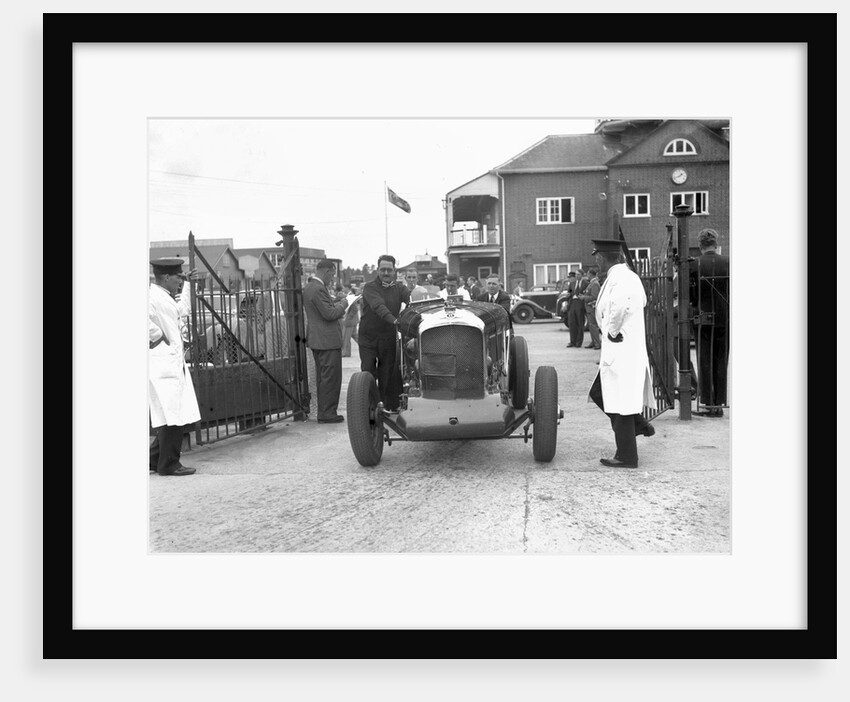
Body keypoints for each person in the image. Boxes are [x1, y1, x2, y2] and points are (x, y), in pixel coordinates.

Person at [587, 240, 656, 469]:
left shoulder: (622, 278)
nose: (596, 261)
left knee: (620, 402)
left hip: (621, 350)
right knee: (602, 393)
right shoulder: (624, 276)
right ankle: (639, 425)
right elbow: (642, 301)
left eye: (597, 256)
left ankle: (627, 456)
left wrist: (613, 331)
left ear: (602, 257)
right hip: (621, 352)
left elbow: (620, 307)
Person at [149, 257, 203, 476]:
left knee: (170, 414)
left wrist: (188, 285)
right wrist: (158, 335)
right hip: (163, 364)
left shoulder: (164, 296)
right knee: (173, 414)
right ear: (166, 277)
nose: (179, 281)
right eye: (178, 277)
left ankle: (154, 460)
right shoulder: (152, 297)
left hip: (171, 363)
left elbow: (182, 310)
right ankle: (169, 464)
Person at [359, 255, 411, 412]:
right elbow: (378, 306)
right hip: (368, 338)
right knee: (368, 372)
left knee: (387, 375)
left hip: (388, 337)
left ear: (394, 271)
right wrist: (394, 321)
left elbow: (411, 302)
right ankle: (369, 408)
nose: (386, 273)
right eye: (383, 269)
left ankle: (385, 408)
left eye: (389, 270)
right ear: (377, 270)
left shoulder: (400, 288)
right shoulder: (370, 287)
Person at [689, 228, 729, 417]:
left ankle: (708, 403)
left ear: (700, 245)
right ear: (716, 243)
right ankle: (719, 403)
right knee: (721, 361)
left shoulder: (694, 264)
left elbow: (690, 294)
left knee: (705, 361)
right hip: (724, 318)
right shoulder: (728, 262)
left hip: (703, 318)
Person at [303, 259, 349, 423]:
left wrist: (335, 301)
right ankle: (327, 413)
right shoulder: (318, 289)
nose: (333, 278)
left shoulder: (311, 287)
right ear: (327, 271)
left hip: (319, 340)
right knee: (330, 379)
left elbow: (322, 307)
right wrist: (345, 304)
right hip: (327, 341)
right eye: (332, 274)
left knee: (323, 378)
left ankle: (325, 411)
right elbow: (329, 314)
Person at [579, 267, 602, 349]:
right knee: (591, 326)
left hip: (591, 307)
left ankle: (597, 343)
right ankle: (593, 342)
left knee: (593, 326)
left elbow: (594, 297)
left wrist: (584, 297)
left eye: (588, 274)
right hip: (589, 307)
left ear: (591, 274)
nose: (587, 275)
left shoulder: (594, 284)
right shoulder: (592, 283)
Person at [566, 269, 587, 348]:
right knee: (572, 323)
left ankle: (579, 342)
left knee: (580, 323)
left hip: (580, 303)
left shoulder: (586, 283)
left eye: (578, 274)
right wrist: (568, 296)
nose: (576, 276)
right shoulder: (572, 284)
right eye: (576, 274)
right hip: (572, 303)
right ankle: (572, 341)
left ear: (582, 275)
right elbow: (569, 292)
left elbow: (587, 293)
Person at [341, 285, 361, 357]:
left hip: (350, 321)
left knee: (346, 337)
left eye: (344, 287)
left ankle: (345, 352)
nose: (343, 289)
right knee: (354, 335)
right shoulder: (349, 295)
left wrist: (349, 318)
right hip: (352, 320)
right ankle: (366, 345)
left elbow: (354, 309)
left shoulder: (351, 296)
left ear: (347, 288)